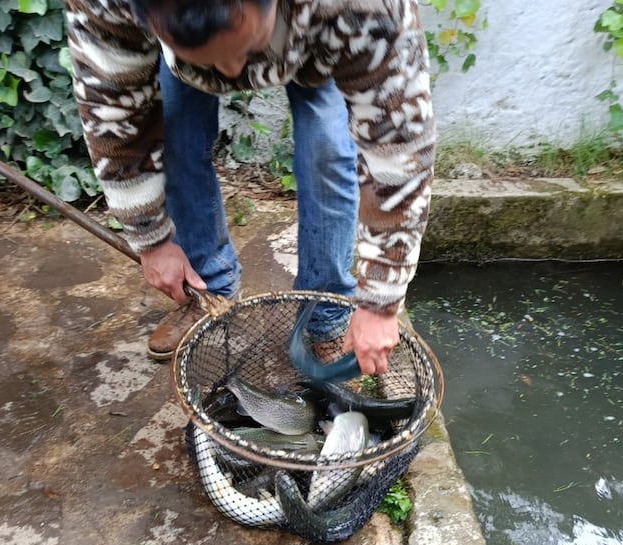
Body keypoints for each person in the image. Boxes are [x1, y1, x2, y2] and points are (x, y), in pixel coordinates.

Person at [64, 0, 435, 375]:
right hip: (183, 53)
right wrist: (151, 239)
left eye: (248, 48)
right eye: (214, 60)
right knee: (177, 133)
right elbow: (112, 114)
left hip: (313, 34)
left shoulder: (364, 7)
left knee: (328, 148)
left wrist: (380, 301)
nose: (232, 72)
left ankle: (328, 312)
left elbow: (399, 150)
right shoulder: (105, 5)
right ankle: (209, 289)